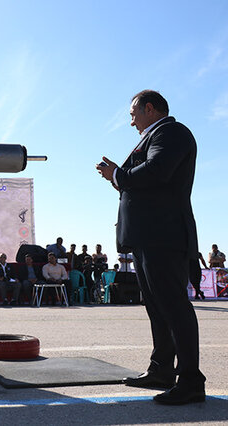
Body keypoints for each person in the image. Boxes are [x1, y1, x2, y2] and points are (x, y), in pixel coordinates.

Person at [97, 90, 205, 405]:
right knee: (156, 307)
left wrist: (119, 175)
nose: (132, 122)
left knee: (173, 306)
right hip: (149, 236)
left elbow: (157, 171)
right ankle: (161, 370)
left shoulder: (171, 132)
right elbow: (144, 181)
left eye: (133, 115)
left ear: (149, 108)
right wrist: (117, 177)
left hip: (164, 235)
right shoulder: (155, 136)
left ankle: (191, 380)